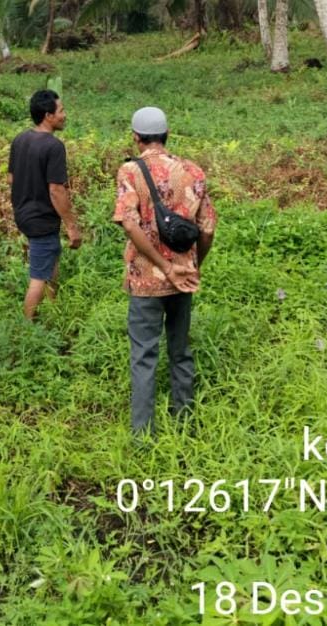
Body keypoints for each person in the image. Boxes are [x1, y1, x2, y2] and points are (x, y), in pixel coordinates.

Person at [111, 107, 216, 436]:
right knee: (180, 348)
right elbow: (208, 228)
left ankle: (143, 434)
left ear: (136, 138)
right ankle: (184, 421)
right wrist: (189, 265)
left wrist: (162, 266)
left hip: (145, 279)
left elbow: (129, 223)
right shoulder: (193, 171)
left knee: (144, 354)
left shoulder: (130, 171)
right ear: (167, 134)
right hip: (184, 278)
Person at [8, 89, 81, 320]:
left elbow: (11, 178)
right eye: (61, 110)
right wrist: (71, 226)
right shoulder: (53, 146)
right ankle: (27, 329)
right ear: (48, 116)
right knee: (38, 276)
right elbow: (56, 190)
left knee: (51, 258)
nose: (65, 115)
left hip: (24, 214)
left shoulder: (20, 139)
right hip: (41, 218)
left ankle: (52, 311)